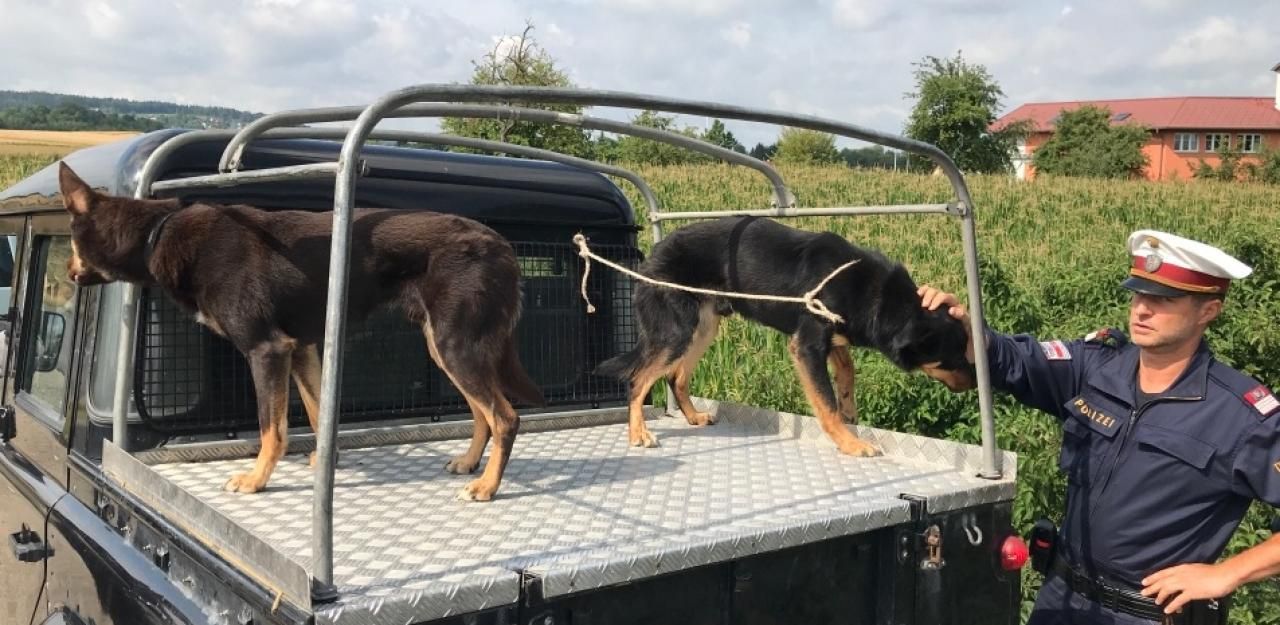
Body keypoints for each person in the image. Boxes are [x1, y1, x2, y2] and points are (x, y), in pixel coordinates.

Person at [918, 229, 1280, 624]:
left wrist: (1227, 574)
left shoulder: (1240, 415)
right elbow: (1013, 360)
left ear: (1208, 311)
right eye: (1139, 294)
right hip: (1060, 601)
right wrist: (961, 331)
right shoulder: (1096, 367)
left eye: (1163, 300)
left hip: (1146, 614)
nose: (1142, 309)